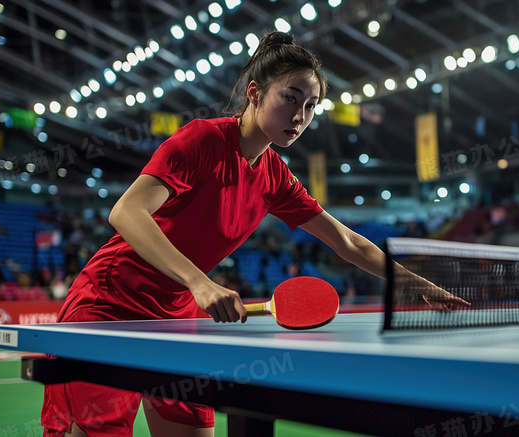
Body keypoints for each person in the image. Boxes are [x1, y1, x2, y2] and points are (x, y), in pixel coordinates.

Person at [41, 31, 466, 437]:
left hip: (173, 315)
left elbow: (347, 241)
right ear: (255, 93)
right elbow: (126, 212)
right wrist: (200, 284)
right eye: (290, 99)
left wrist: (415, 283)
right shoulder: (203, 140)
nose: (300, 116)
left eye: (312, 105)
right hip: (109, 306)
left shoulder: (276, 178)